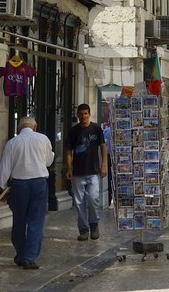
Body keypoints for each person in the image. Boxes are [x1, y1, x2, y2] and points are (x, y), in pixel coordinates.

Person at [0, 116, 55, 269]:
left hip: (19, 185)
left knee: (19, 221)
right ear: (34, 127)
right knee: (36, 221)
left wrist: (0, 188)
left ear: (19, 128)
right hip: (39, 183)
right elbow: (49, 162)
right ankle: (29, 257)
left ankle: (21, 255)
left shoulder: (12, 143)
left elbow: (5, 167)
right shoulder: (43, 139)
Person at [63, 103, 106, 242]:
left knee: (93, 199)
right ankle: (83, 229)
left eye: (85, 113)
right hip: (78, 173)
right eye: (81, 114)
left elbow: (103, 147)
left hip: (93, 171)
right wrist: (69, 168)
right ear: (78, 115)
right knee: (80, 203)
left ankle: (94, 224)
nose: (83, 116)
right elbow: (68, 151)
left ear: (89, 114)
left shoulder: (96, 129)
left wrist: (103, 165)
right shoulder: (73, 131)